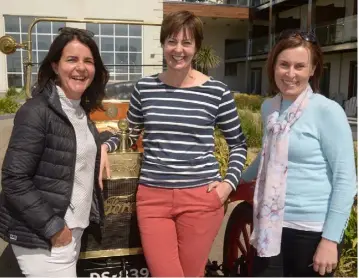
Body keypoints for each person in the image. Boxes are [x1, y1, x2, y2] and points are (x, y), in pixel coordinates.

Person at [102, 10, 247, 277]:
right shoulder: (145, 88)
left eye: (186, 42)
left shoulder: (217, 92)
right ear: (163, 44)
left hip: (200, 198)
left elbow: (238, 144)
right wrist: (106, 146)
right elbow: (130, 134)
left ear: (197, 47)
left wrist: (228, 185)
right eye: (171, 41)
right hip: (153, 199)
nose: (178, 49)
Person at [241, 29, 357, 277]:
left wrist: (330, 240)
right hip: (269, 226)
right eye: (284, 64)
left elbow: (345, 180)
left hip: (310, 231)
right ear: (273, 66)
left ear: (312, 70)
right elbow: (267, 155)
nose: (290, 74)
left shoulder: (328, 111)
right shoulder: (269, 107)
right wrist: (234, 182)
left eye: (299, 66)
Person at [0, 27, 110, 277]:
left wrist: (103, 144)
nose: (81, 67)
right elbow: (14, 180)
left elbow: (72, 147)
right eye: (71, 59)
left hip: (70, 232)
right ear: (54, 66)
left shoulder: (80, 113)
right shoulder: (36, 112)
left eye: (88, 61)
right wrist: (54, 228)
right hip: (45, 237)